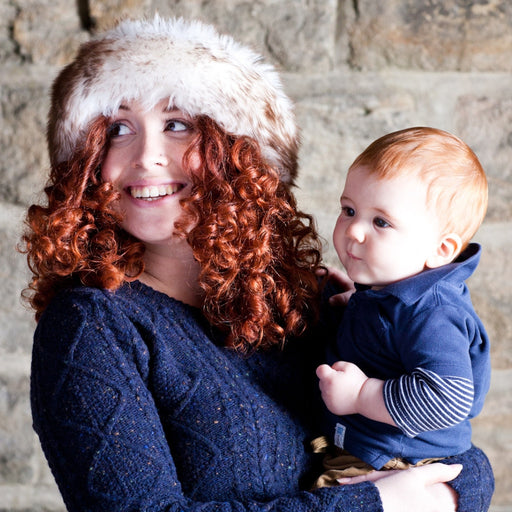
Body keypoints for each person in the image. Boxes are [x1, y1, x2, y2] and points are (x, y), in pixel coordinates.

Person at [19, 16, 493, 512]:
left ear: (239, 151)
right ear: (88, 162)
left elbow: (453, 449)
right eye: (118, 128)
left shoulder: (297, 298)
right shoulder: (91, 328)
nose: (147, 157)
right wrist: (377, 504)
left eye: (178, 124)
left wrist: (447, 489)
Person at [313, 127, 491, 491]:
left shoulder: (432, 314)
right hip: (373, 447)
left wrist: (362, 395)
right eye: (349, 210)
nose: (354, 231)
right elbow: (395, 334)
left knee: (327, 497)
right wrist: (358, 303)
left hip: (396, 460)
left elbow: (449, 398)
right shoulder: (393, 293)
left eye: (381, 222)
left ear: (441, 250)